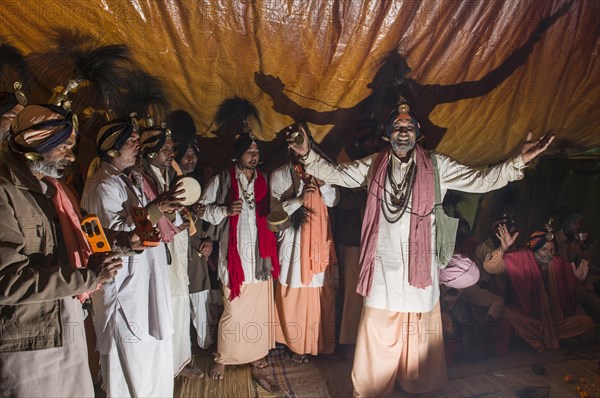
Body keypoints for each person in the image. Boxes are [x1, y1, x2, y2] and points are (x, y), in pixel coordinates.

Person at [288, 99, 554, 396]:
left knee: (418, 334)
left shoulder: (438, 166)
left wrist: (518, 161)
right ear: (388, 134)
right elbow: (337, 174)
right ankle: (372, 389)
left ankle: (417, 384)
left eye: (409, 127)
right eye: (397, 127)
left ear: (417, 133)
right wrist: (307, 153)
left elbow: (481, 180)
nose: (403, 132)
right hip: (383, 270)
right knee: (377, 331)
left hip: (420, 269)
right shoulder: (373, 164)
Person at [0, 104, 122, 397]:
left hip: (66, 323)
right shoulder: (5, 191)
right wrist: (88, 277)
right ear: (37, 144)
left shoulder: (55, 192)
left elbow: (84, 238)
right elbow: (7, 282)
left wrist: (124, 244)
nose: (70, 156)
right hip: (29, 341)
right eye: (63, 146)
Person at [81, 118, 181, 397]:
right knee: (130, 362)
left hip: (145, 284)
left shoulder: (130, 179)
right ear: (111, 149)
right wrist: (155, 208)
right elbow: (114, 237)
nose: (138, 146)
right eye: (130, 141)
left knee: (154, 358)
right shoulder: (103, 185)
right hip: (126, 290)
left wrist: (162, 208)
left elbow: (142, 222)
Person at [200, 132, 280, 380]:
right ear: (238, 155)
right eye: (249, 151)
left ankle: (255, 353)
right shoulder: (223, 179)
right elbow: (200, 208)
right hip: (233, 258)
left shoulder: (265, 180)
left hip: (260, 259)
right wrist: (224, 210)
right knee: (233, 311)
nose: (254, 156)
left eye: (256, 152)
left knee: (257, 311)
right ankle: (223, 357)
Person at [138, 125, 205, 378]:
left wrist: (186, 214)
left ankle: (180, 362)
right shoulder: (143, 178)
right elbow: (143, 218)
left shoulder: (168, 173)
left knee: (178, 305)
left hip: (175, 250)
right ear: (150, 153)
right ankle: (166, 367)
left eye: (170, 148)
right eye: (164, 149)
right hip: (159, 252)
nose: (170, 152)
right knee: (166, 308)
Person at [270, 144, 339, 362]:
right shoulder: (280, 174)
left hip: (319, 240)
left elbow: (334, 200)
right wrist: (300, 199)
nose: (299, 152)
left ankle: (321, 344)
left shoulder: (320, 169)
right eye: (293, 147)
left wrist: (323, 184)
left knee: (321, 290)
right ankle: (296, 345)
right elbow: (274, 211)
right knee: (295, 288)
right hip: (293, 242)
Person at [483, 224, 595, 352]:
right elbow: (490, 268)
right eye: (544, 249)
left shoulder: (560, 265)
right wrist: (502, 249)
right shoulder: (521, 260)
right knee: (506, 312)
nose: (549, 254)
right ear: (534, 250)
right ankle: (554, 338)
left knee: (587, 322)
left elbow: (578, 297)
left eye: (552, 250)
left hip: (554, 321)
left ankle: (543, 338)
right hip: (527, 316)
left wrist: (580, 282)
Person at [334, 119, 382, 355]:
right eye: (372, 139)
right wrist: (370, 196)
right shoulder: (345, 162)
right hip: (353, 237)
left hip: (373, 237)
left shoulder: (377, 159)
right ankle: (349, 340)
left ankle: (368, 337)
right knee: (352, 291)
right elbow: (341, 202)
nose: (376, 143)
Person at [176, 140, 223, 351]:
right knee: (177, 303)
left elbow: (211, 217)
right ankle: (181, 349)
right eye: (186, 155)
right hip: (174, 251)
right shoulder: (168, 184)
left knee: (199, 298)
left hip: (196, 250)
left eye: (193, 155)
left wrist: (209, 240)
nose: (191, 160)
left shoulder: (203, 182)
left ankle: (205, 344)